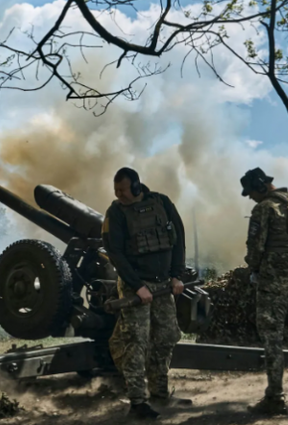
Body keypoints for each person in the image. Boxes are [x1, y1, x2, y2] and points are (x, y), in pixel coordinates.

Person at [103, 167, 189, 419]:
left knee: (166, 337)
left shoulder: (162, 203)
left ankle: (159, 393)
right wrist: (137, 286)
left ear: (137, 186)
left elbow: (178, 239)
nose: (119, 195)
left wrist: (177, 275)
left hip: (163, 284)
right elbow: (115, 253)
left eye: (123, 190)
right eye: (116, 190)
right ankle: (138, 401)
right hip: (135, 287)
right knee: (136, 342)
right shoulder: (115, 213)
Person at [242, 168, 288, 416]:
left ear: (260, 186)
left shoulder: (264, 208)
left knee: (272, 338)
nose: (251, 198)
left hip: (273, 283)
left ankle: (274, 398)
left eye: (251, 193)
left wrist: (253, 269)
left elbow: (256, 248)